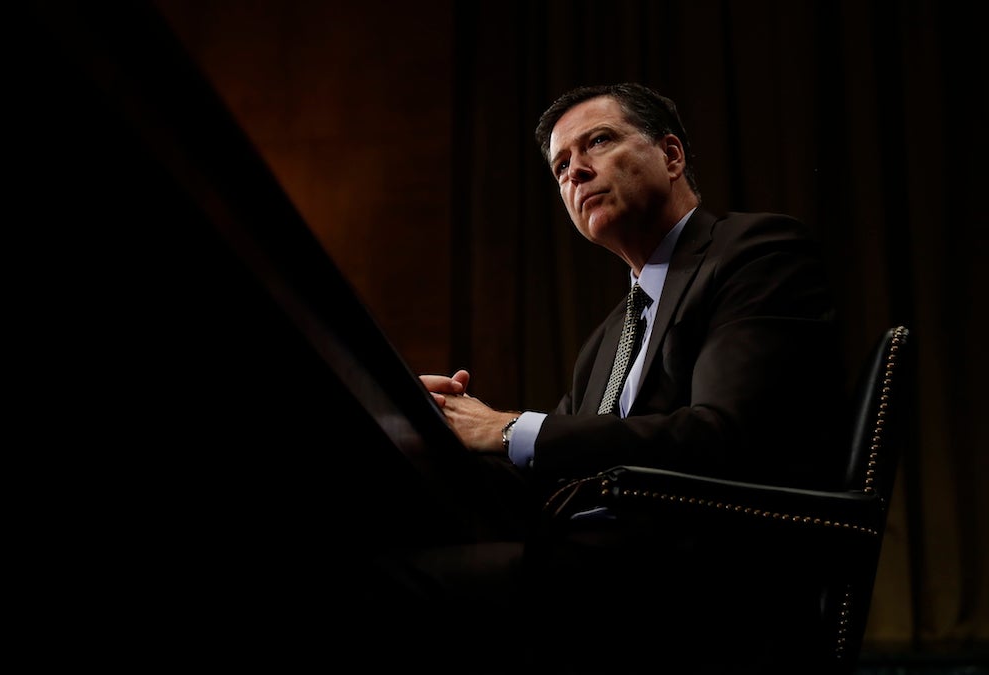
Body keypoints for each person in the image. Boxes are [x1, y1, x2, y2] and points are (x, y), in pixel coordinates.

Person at [361, 83, 847, 673]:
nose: (576, 173)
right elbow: (556, 467)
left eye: (599, 142)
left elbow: (724, 438)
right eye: (561, 167)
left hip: (701, 577)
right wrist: (434, 431)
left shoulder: (754, 253)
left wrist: (508, 427)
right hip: (599, 563)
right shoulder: (608, 337)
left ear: (672, 156)